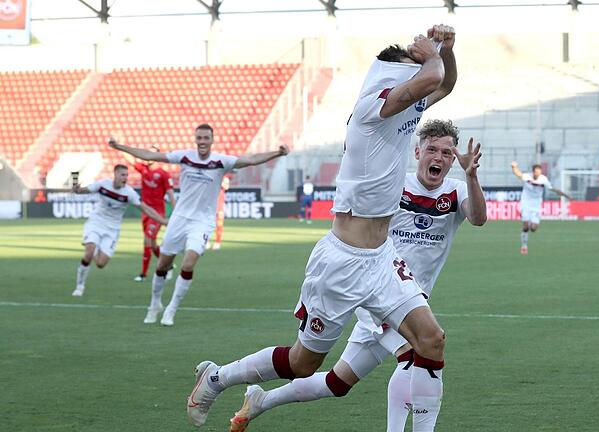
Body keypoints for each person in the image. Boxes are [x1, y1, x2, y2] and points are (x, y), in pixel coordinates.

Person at [186, 24, 457, 431]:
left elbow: (445, 82)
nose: (412, 82)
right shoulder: (372, 107)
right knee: (302, 363)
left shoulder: (402, 109)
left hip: (383, 260)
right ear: (387, 77)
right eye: (406, 72)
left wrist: (445, 50)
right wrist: (429, 53)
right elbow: (432, 77)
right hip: (343, 263)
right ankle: (217, 377)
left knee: (431, 340)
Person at [228, 120, 486, 432]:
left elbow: (478, 218)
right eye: (432, 149)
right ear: (417, 152)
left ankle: (261, 400)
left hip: (406, 302)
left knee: (338, 382)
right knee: (413, 355)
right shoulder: (394, 185)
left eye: (447, 152)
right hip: (374, 289)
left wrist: (471, 176)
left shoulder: (455, 191)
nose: (439, 157)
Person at [108, 124, 289, 326]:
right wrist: (120, 147)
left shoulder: (221, 161)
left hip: (202, 222)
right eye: (199, 138)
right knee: (162, 264)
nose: (202, 141)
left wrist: (278, 153)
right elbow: (150, 156)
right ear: (196, 140)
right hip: (179, 218)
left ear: (212, 140)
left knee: (188, 263)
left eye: (206, 138)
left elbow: (250, 160)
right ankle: (154, 304)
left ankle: (172, 309)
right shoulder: (185, 156)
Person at [71, 164, 167, 297]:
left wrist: (163, 221)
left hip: (112, 229)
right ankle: (80, 286)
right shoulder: (103, 184)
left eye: (127, 175)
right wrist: (77, 189)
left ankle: (94, 247)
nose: (125, 178)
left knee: (100, 263)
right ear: (115, 175)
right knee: (89, 252)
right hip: (96, 223)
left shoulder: (129, 193)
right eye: (123, 175)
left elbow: (145, 208)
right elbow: (84, 190)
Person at [123, 145, 176, 282]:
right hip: (145, 211)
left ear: (157, 156)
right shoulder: (143, 169)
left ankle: (143, 274)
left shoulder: (163, 174)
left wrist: (175, 211)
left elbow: (170, 193)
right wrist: (120, 145)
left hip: (157, 213)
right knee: (152, 245)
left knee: (147, 240)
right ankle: (168, 265)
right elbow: (129, 160)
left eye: (151, 153)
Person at [510, 161, 573, 254]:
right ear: (533, 172)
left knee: (533, 228)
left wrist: (565, 195)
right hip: (526, 203)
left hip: (536, 205)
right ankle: (524, 246)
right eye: (536, 172)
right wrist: (514, 167)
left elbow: (553, 189)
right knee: (526, 226)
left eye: (540, 172)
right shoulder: (527, 177)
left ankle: (531, 225)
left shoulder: (543, 180)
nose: (538, 174)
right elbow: (518, 174)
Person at [208, 175, 230, 250]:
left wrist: (218, 181)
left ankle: (217, 242)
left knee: (219, 225)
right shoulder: (210, 175)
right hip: (210, 205)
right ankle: (206, 241)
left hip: (219, 205)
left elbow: (226, 187)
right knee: (207, 224)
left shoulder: (224, 178)